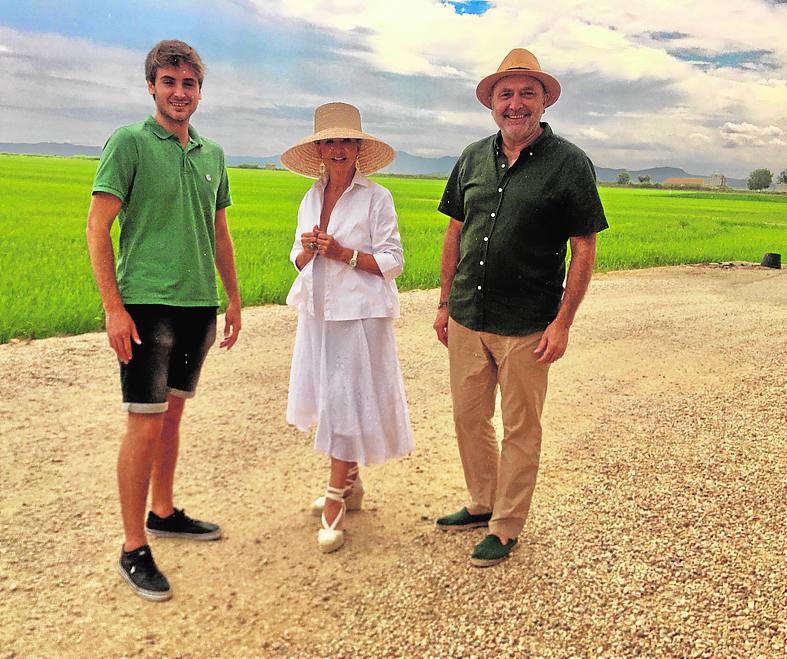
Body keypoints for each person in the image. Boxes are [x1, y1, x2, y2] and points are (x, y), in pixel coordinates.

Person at [433, 48, 608, 567]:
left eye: (526, 93)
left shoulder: (570, 163)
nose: (515, 103)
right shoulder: (471, 156)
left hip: (528, 324)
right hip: (467, 315)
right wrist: (445, 302)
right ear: (491, 102)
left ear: (544, 100)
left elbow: (585, 246)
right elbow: (454, 230)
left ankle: (507, 526)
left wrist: (563, 323)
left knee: (520, 428)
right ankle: (483, 502)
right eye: (505, 94)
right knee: (469, 420)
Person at [86, 39, 241, 600]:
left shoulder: (212, 154)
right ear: (151, 86)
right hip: (146, 304)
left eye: (190, 83)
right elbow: (97, 227)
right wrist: (113, 307)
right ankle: (133, 547)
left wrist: (234, 300)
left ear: (200, 90)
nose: (180, 93)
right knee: (145, 421)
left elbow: (219, 234)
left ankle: (164, 511)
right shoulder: (128, 143)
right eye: (170, 82)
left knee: (172, 415)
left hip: (199, 304)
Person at [281, 102, 413, 553]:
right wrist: (310, 250)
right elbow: (296, 261)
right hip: (319, 313)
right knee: (332, 396)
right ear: (319, 149)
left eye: (346, 141)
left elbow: (394, 260)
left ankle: (336, 497)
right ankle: (352, 485)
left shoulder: (377, 198)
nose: (338, 149)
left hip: (359, 318)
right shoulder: (311, 196)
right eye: (330, 141)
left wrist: (344, 254)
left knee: (344, 400)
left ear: (359, 147)